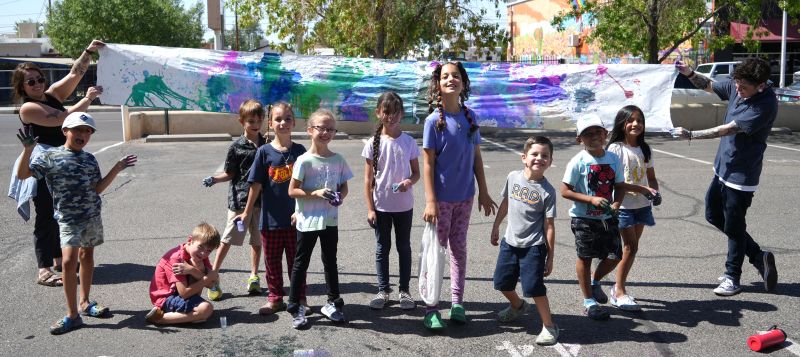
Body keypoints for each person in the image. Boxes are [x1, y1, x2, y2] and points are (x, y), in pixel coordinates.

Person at [15, 112, 138, 335]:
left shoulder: (90, 159)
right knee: (69, 263)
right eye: (78, 130)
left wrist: (117, 168)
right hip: (68, 219)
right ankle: (72, 315)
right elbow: (23, 174)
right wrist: (27, 150)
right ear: (65, 131)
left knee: (87, 257)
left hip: (91, 215)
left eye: (87, 131)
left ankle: (85, 302)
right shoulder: (51, 156)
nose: (83, 134)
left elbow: (97, 189)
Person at [673, 58, 778, 296]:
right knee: (713, 214)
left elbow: (729, 128)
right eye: (737, 84)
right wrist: (689, 73)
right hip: (723, 167)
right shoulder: (738, 85)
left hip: (742, 175)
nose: (738, 91)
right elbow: (709, 85)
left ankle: (733, 277)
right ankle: (758, 256)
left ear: (760, 85)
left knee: (734, 225)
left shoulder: (765, 104)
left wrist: (691, 134)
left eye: (744, 88)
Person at [10, 39, 104, 287]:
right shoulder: (28, 108)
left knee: (59, 212)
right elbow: (63, 119)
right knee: (45, 216)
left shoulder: (50, 95)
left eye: (39, 78)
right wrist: (88, 99)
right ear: (22, 87)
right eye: (31, 82)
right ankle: (43, 269)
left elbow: (75, 73)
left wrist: (88, 51)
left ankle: (59, 259)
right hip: (42, 161)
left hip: (62, 161)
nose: (38, 84)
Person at [421, 61, 497, 330]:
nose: (451, 79)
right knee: (435, 253)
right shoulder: (433, 122)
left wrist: (484, 192)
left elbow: (476, 157)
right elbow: (428, 164)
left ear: (463, 83)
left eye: (456, 76)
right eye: (445, 76)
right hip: (440, 202)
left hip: (465, 198)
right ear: (438, 84)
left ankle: (457, 303)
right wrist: (430, 201)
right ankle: (431, 307)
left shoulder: (470, 118)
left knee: (458, 251)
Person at [561, 114, 654, 321]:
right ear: (579, 139)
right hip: (583, 218)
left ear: (606, 134)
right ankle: (589, 302)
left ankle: (595, 282)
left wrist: (616, 203)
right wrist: (590, 200)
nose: (594, 136)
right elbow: (565, 191)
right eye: (588, 134)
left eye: (598, 132)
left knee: (614, 256)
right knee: (585, 258)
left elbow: (619, 186)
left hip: (608, 217)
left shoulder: (613, 159)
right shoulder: (578, 161)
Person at [235, 102, 309, 315]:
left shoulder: (300, 152)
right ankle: (275, 298)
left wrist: (302, 209)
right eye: (278, 119)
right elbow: (256, 184)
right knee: (272, 263)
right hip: (270, 221)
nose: (283, 123)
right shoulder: (264, 152)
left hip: (297, 220)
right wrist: (247, 212)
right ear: (270, 123)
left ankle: (299, 298)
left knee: (297, 263)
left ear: (294, 122)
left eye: (287, 118)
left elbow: (307, 184)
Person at [286, 109, 353, 329]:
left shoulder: (338, 159)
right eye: (320, 128)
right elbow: (292, 191)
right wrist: (313, 193)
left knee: (330, 262)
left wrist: (339, 197)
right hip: (307, 221)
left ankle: (333, 303)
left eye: (330, 129)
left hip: (330, 220)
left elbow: (344, 186)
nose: (325, 132)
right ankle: (295, 306)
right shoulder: (304, 161)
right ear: (309, 130)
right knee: (300, 263)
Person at [490, 136, 559, 346]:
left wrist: (550, 257)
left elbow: (549, 226)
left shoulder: (548, 191)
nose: (539, 158)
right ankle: (518, 306)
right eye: (535, 154)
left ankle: (549, 326)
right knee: (501, 283)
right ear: (524, 157)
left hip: (533, 247)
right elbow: (505, 203)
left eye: (545, 155)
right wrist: (496, 226)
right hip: (509, 243)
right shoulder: (513, 177)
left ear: (550, 160)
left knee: (534, 287)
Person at [202, 99, 266, 301]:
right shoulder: (236, 147)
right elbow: (229, 173)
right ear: (242, 121)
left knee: (257, 242)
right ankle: (213, 277)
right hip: (239, 202)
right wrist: (214, 179)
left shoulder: (267, 144)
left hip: (262, 203)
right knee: (227, 240)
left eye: (258, 120)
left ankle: (254, 276)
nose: (255, 124)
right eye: (250, 121)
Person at [362, 92, 420, 310]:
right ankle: (383, 290)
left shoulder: (408, 142)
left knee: (403, 247)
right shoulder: (372, 143)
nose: (391, 116)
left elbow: (416, 173)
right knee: (382, 248)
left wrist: (408, 182)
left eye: (396, 112)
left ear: (402, 114)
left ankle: (404, 291)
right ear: (378, 113)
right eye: (386, 112)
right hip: (381, 207)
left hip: (404, 206)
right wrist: (370, 208)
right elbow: (368, 180)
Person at [604, 105, 661, 311]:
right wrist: (641, 188)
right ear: (622, 124)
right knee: (629, 247)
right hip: (623, 206)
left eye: (640, 120)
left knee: (632, 248)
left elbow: (652, 178)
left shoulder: (645, 149)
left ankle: (616, 287)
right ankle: (618, 290)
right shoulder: (616, 149)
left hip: (642, 205)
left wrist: (655, 192)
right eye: (631, 120)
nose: (636, 124)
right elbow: (613, 183)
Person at [146, 222, 221, 325]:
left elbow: (213, 284)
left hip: (181, 294)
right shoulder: (176, 258)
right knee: (206, 309)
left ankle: (189, 314)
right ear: (190, 240)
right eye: (200, 247)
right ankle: (160, 318)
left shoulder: (199, 256)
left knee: (198, 265)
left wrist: (193, 271)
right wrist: (207, 277)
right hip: (166, 298)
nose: (203, 253)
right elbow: (185, 293)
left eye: (208, 251)